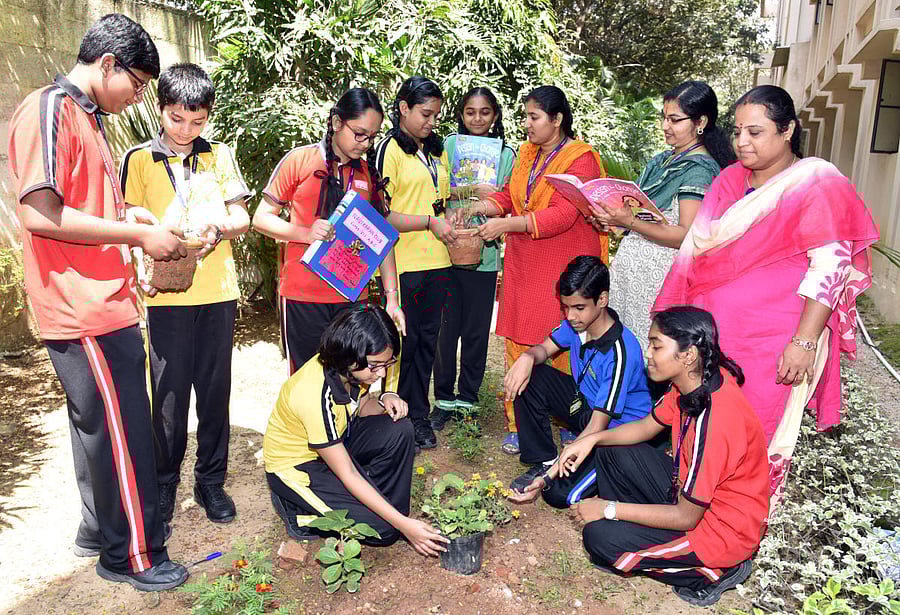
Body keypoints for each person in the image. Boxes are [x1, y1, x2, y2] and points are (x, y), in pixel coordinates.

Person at [7, 13, 188, 590]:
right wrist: (139, 236)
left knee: (97, 428)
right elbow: (39, 213)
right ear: (107, 64)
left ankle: (98, 529)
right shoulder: (50, 110)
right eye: (136, 83)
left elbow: (79, 202)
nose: (137, 96)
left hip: (102, 299)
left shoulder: (85, 118)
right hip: (83, 306)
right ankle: (132, 554)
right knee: (123, 432)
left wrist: (124, 216)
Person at [653, 85, 880, 511]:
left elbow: (829, 267)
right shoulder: (728, 180)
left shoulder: (816, 184)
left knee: (754, 427)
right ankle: (690, 505)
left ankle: (741, 520)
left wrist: (805, 342)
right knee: (703, 415)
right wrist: (673, 321)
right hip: (712, 335)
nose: (742, 142)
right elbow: (694, 251)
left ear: (788, 129)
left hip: (772, 343)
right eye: (738, 132)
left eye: (755, 132)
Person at [511, 307, 769, 607]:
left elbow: (688, 516)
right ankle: (636, 528)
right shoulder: (693, 382)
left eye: (657, 346)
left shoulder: (714, 420)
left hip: (720, 532)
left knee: (599, 539)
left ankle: (715, 571)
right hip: (686, 493)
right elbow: (647, 426)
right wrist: (592, 439)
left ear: (688, 355)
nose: (648, 353)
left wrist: (609, 509)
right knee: (608, 451)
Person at [120, 63, 250, 527]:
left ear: (208, 117)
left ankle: (210, 482)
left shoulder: (221, 156)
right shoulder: (139, 159)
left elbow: (242, 217)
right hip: (165, 296)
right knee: (170, 398)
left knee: (215, 394)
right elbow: (129, 214)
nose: (186, 130)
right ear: (160, 110)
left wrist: (218, 227)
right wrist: (157, 228)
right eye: (176, 119)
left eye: (197, 122)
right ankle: (164, 482)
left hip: (217, 293)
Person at [466, 85, 608, 454]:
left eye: (534, 117)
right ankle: (519, 422)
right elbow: (512, 196)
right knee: (519, 339)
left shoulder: (582, 158)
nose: (527, 124)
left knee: (563, 341)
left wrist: (507, 225)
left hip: (562, 266)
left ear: (557, 120)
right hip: (525, 264)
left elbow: (563, 214)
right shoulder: (526, 153)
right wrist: (486, 207)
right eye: (525, 116)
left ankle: (568, 418)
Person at [263, 306, 450, 556]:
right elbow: (348, 473)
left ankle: (378, 504)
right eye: (375, 366)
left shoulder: (349, 371)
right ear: (350, 356)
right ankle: (299, 513)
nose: (381, 373)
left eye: (386, 364)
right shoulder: (312, 393)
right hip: (298, 468)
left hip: (333, 443)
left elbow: (358, 406)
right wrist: (403, 525)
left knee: (401, 428)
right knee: (384, 531)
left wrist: (384, 401)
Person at [253, 88, 405, 374]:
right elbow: (260, 219)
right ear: (337, 123)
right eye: (359, 133)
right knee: (306, 380)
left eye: (371, 137)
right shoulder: (299, 160)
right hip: (303, 296)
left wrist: (392, 298)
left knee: (352, 380)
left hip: (352, 300)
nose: (365, 143)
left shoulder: (368, 175)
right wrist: (305, 233)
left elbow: (382, 242)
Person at [589, 81, 733, 349]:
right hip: (631, 273)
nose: (666, 126)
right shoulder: (661, 161)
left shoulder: (699, 169)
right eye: (664, 117)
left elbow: (685, 235)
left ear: (700, 121)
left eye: (675, 120)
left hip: (659, 278)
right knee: (624, 348)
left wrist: (628, 221)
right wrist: (611, 220)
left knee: (650, 353)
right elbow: (641, 217)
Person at [504, 255, 652, 494]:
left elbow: (598, 424)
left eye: (579, 308)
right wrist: (527, 357)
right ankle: (545, 459)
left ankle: (596, 466)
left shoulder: (621, 352)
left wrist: (550, 478)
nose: (570, 316)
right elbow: (544, 349)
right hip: (585, 406)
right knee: (531, 374)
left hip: (614, 429)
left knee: (557, 493)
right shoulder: (577, 324)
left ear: (602, 299)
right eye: (566, 307)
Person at [373, 76, 458, 451]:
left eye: (436, 115)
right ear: (403, 108)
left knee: (426, 342)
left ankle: (418, 415)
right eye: (425, 114)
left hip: (438, 258)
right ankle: (393, 413)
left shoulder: (436, 150)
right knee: (399, 344)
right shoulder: (388, 149)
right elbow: (380, 215)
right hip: (402, 262)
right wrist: (427, 222)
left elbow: (439, 198)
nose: (431, 122)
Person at [431, 87, 516, 431]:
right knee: (445, 329)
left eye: (484, 112)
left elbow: (511, 200)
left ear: (495, 116)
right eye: (470, 112)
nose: (477, 119)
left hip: (485, 257)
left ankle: (467, 398)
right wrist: (459, 192)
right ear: (461, 115)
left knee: (477, 331)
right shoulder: (448, 146)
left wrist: (491, 198)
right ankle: (443, 400)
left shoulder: (507, 154)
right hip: (448, 252)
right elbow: (434, 189)